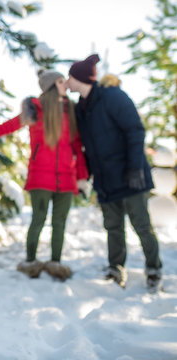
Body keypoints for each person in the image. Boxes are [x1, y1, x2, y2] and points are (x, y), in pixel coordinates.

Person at [0, 70, 89, 281]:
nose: (66, 85)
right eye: (61, 82)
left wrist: (82, 175)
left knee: (60, 221)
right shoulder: (35, 110)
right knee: (38, 219)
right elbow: (6, 127)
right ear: (51, 86)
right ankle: (31, 261)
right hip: (41, 177)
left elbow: (77, 145)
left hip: (66, 177)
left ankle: (56, 262)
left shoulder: (71, 110)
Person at [66, 54, 162, 291]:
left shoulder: (113, 97)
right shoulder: (81, 109)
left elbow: (135, 131)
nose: (67, 82)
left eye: (70, 77)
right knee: (113, 227)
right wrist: (87, 175)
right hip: (105, 179)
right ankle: (115, 268)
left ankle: (154, 268)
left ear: (81, 79)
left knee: (141, 225)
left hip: (131, 176)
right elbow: (87, 145)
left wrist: (135, 168)